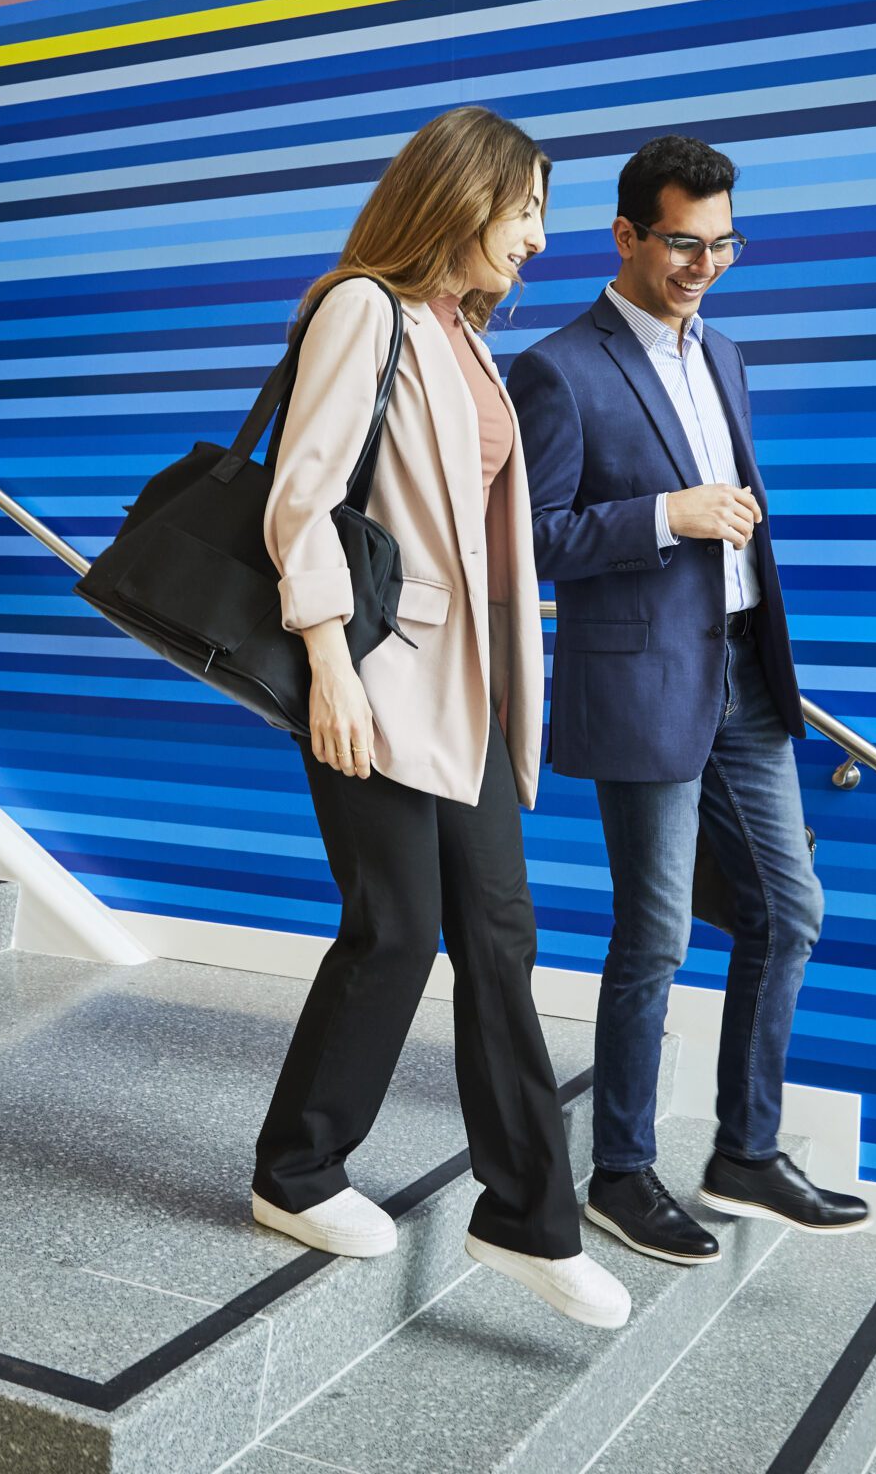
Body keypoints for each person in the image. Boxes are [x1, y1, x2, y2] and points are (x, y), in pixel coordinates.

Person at [251, 107, 630, 1330]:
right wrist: (329, 665)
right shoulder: (362, 306)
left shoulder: (461, 335)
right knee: (396, 930)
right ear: (460, 199)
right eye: (522, 212)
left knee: (500, 937)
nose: (532, 239)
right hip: (372, 672)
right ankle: (295, 1171)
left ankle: (526, 1214)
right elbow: (300, 501)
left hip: (460, 694)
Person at [508, 134, 869, 1268]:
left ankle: (744, 1151)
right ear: (624, 235)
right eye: (681, 242)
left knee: (787, 912)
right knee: (654, 936)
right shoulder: (560, 368)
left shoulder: (726, 354)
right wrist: (670, 515)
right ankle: (619, 1169)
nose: (703, 263)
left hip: (748, 677)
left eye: (723, 244)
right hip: (642, 686)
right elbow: (526, 540)